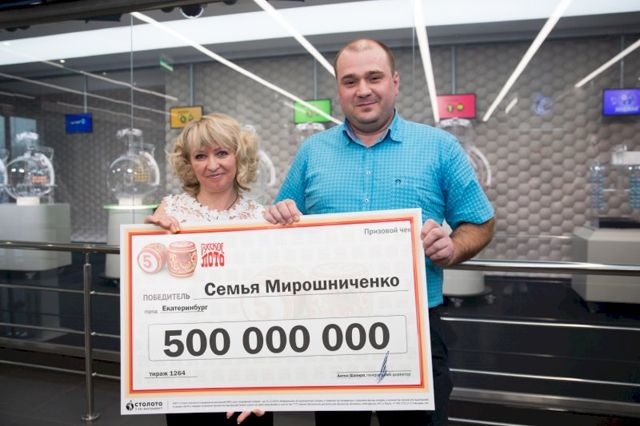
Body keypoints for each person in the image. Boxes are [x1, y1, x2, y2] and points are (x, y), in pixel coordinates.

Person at [264, 39, 495, 426]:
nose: (363, 90)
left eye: (374, 77)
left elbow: (481, 222)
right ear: (339, 89)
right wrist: (279, 216)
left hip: (415, 329)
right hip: (332, 330)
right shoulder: (312, 153)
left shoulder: (439, 147)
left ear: (395, 82)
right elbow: (281, 225)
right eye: (350, 81)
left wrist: (452, 248)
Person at [145, 113, 273, 426]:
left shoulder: (261, 218)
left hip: (248, 365)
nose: (212, 165)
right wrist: (149, 244)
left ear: (239, 156)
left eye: (222, 153)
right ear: (189, 163)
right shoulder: (170, 212)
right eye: (200, 156)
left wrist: (264, 381)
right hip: (187, 366)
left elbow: (270, 304)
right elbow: (151, 294)